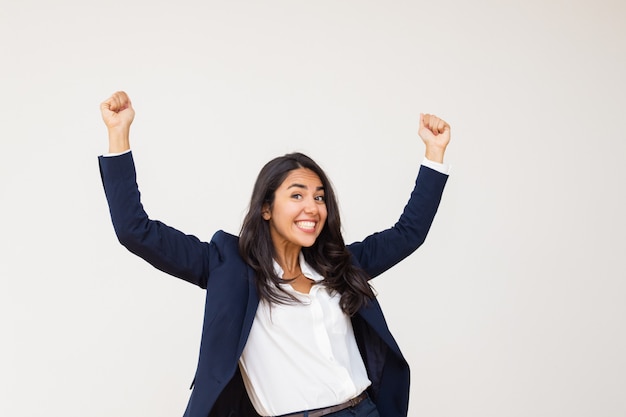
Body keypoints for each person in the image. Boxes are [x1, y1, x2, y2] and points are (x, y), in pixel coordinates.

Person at [99, 91, 451, 417]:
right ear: (266, 208)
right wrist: (119, 135)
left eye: (319, 196)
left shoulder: (340, 265)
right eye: (297, 195)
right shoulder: (226, 264)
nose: (312, 207)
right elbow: (135, 230)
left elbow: (409, 233)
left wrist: (434, 154)